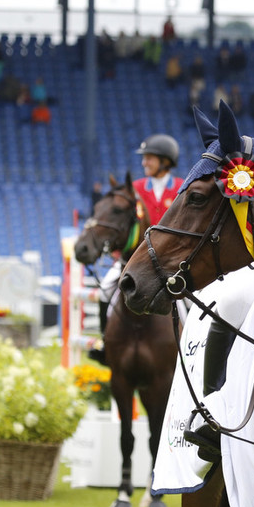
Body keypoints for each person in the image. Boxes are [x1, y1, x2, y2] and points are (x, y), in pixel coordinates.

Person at [88, 134, 184, 365]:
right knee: (105, 291)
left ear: (165, 161)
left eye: (149, 158)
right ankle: (104, 342)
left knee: (191, 300)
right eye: (144, 159)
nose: (144, 163)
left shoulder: (182, 188)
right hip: (136, 260)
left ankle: (193, 346)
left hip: (172, 262)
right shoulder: (136, 189)